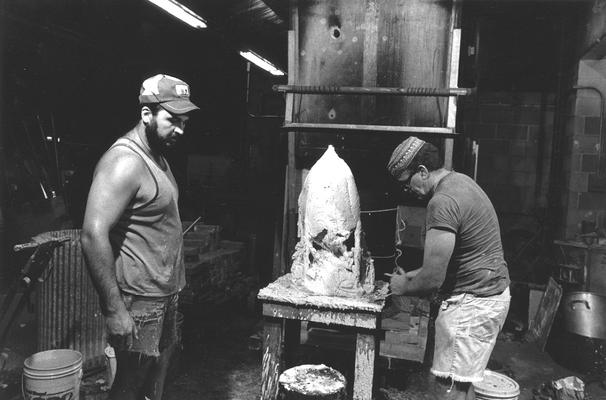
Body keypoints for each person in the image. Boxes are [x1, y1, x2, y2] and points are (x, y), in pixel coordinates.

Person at [81, 74, 199, 400]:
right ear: (147, 114)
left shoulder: (158, 155)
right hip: (139, 300)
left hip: (164, 292)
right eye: (172, 120)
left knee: (157, 374)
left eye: (185, 122)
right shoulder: (125, 162)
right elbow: (92, 234)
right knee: (130, 384)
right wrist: (114, 309)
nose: (180, 130)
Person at [386, 136, 511, 400]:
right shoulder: (461, 181)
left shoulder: (441, 202)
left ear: (422, 171)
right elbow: (450, 260)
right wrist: (412, 275)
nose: (408, 190)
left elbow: (433, 278)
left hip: (472, 303)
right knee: (462, 384)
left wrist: (403, 286)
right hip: (491, 295)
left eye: (408, 182)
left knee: (448, 389)